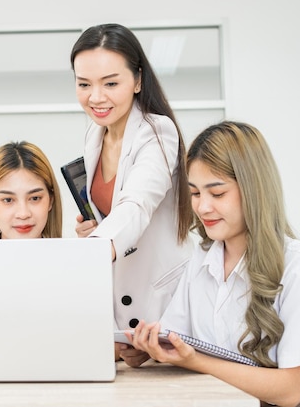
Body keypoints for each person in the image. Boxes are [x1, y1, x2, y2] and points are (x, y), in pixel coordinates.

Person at [121, 121, 300, 407]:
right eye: (195, 194)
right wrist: (151, 349)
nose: (203, 207)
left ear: (254, 190)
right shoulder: (201, 259)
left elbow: (289, 391)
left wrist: (197, 361)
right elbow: (178, 338)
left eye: (217, 193)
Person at [70, 23, 194, 354]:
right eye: (84, 84)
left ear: (138, 80)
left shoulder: (157, 131)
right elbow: (113, 212)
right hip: (118, 308)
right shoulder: (94, 135)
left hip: (163, 305)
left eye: (111, 83)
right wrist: (94, 228)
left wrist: (95, 247)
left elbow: (137, 204)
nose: (96, 97)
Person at [0, 141, 62, 240]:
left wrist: (81, 249)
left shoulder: (72, 254)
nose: (23, 214)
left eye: (35, 198)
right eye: (8, 200)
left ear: (50, 200)